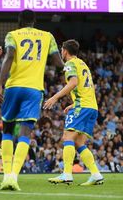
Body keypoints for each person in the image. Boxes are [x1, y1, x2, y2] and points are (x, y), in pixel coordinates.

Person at [0, 9, 64, 191]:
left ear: (19, 21)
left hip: (13, 87)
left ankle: (6, 176)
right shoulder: (47, 36)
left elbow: (9, 56)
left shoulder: (13, 35)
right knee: (25, 132)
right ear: (34, 21)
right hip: (34, 89)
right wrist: (64, 75)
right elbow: (58, 63)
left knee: (8, 130)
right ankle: (14, 177)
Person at [44, 39, 104, 186]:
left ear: (64, 51)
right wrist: (74, 103)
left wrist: (55, 97)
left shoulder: (70, 64)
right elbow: (88, 87)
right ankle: (96, 174)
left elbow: (73, 83)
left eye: (61, 49)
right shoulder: (82, 64)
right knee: (79, 142)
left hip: (82, 107)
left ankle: (67, 174)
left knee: (67, 136)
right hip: (91, 107)